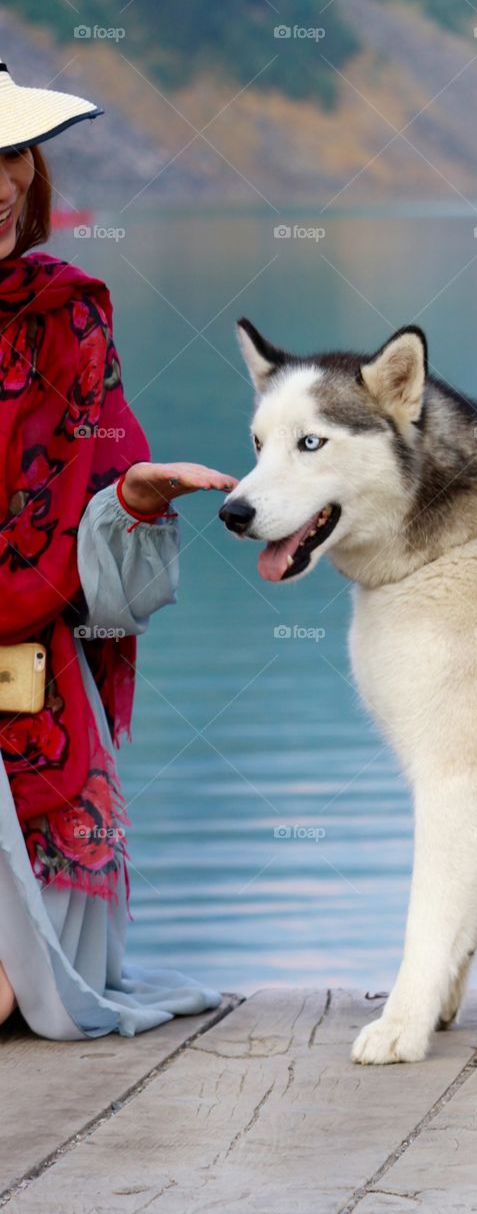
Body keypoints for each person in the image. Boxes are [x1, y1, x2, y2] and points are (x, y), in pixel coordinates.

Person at [0, 59, 237, 1037]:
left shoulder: (67, 318)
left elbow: (109, 609)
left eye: (14, 153)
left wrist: (128, 507)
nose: (5, 181)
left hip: (37, 708)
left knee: (19, 990)